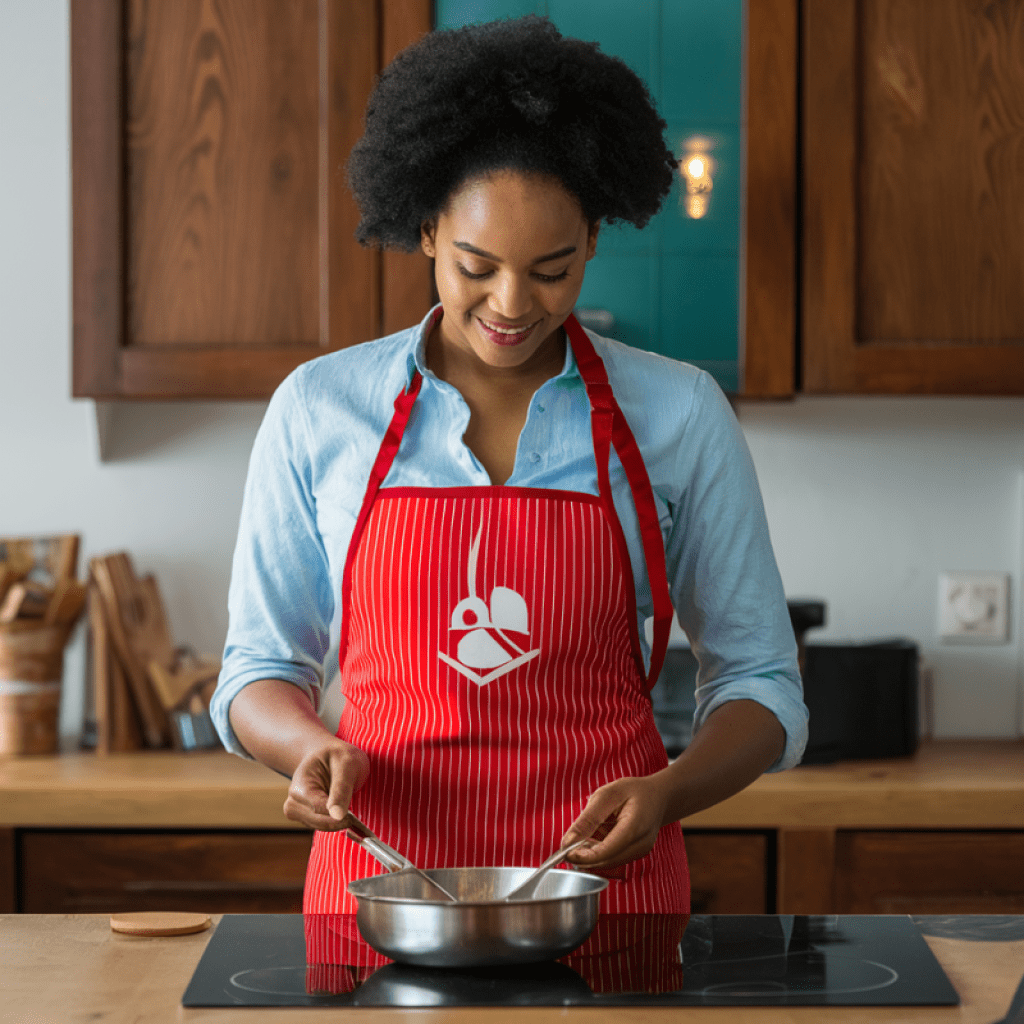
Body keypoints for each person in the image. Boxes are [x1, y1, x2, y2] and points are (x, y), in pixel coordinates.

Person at [211, 15, 808, 917]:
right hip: (383, 892)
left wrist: (671, 791)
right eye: (476, 266)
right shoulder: (319, 408)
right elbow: (258, 667)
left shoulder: (679, 413)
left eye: (553, 270)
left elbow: (761, 683)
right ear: (423, 230)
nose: (513, 305)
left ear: (595, 243)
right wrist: (301, 749)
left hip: (608, 900)